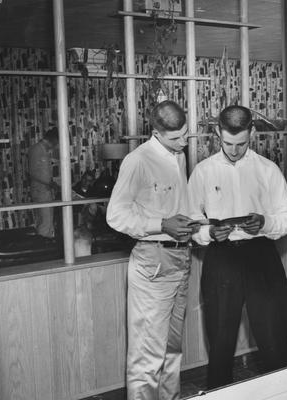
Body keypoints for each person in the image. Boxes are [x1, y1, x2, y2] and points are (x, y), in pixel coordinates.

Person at [188, 105, 287, 390]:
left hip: (262, 257)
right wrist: (209, 231)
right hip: (221, 260)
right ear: (216, 135)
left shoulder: (268, 170)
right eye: (228, 143)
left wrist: (264, 222)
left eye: (241, 144)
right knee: (221, 347)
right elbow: (191, 223)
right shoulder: (202, 172)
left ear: (253, 133)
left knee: (274, 343)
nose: (234, 150)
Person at [106, 100, 195, 400]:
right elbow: (116, 216)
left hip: (182, 258)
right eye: (175, 138)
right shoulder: (138, 160)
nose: (183, 142)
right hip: (152, 262)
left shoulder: (178, 156)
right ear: (156, 132)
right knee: (147, 360)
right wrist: (162, 224)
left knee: (172, 352)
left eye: (185, 134)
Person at [28, 127, 59, 239]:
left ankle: (49, 246)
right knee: (44, 223)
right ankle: (43, 248)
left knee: (49, 223)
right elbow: (33, 172)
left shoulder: (44, 151)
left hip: (46, 192)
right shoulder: (36, 150)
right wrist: (49, 183)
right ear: (54, 140)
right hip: (40, 192)